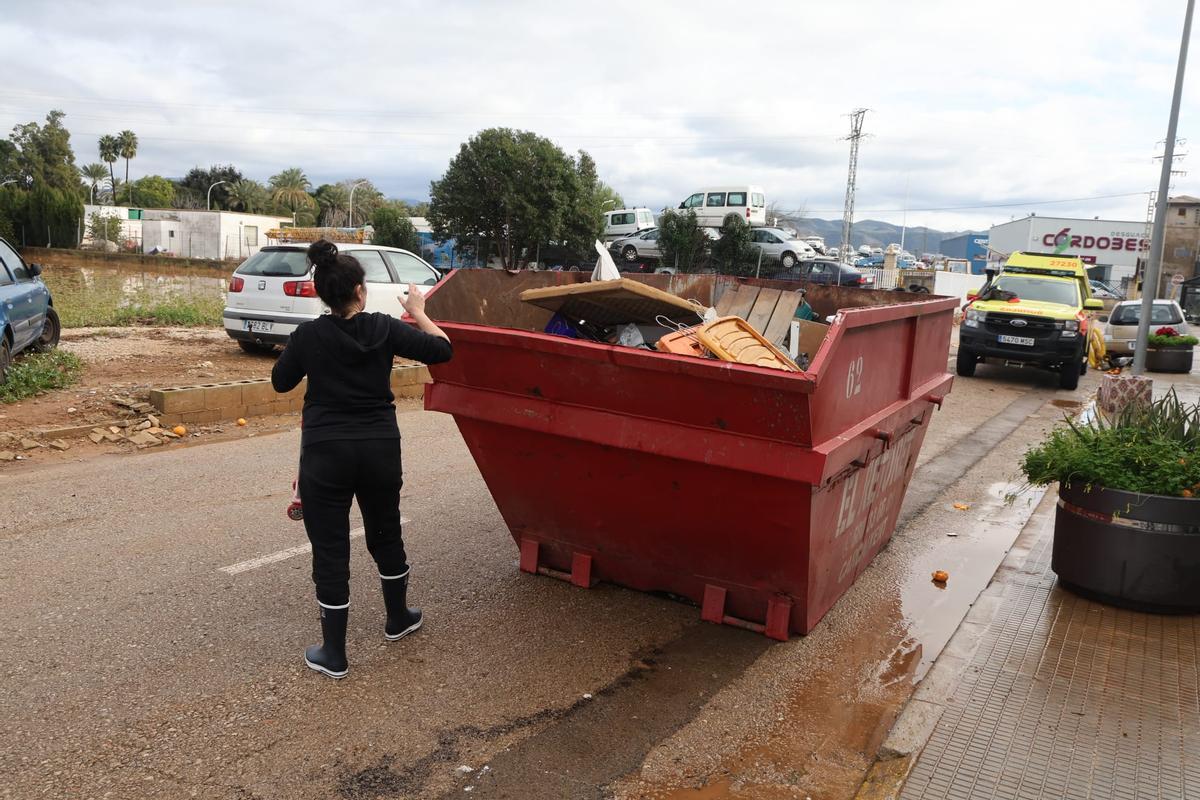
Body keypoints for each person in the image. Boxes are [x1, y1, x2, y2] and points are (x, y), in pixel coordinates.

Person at [271, 239, 453, 679]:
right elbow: (443, 349)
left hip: (324, 454)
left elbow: (280, 382)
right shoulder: (385, 328)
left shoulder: (308, 336)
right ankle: (397, 619)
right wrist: (420, 309)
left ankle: (334, 653)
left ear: (321, 294)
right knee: (385, 533)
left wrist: (305, 354)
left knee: (330, 550)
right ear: (360, 290)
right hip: (378, 450)